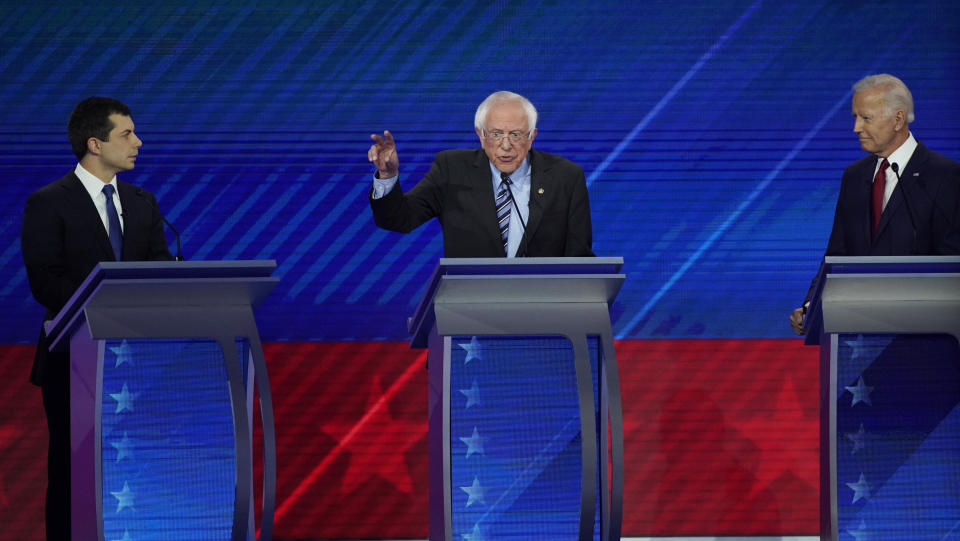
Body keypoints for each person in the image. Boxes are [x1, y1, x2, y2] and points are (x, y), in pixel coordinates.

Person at [21, 97, 173, 539]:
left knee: (135, 471)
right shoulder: (48, 202)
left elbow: (162, 271)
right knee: (73, 472)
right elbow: (45, 282)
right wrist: (107, 310)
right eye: (126, 134)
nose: (138, 143)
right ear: (94, 143)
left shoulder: (143, 202)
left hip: (139, 364)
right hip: (75, 362)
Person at [790, 74, 960, 335]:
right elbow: (837, 255)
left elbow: (950, 264)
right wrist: (811, 307)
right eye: (855, 117)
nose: (856, 128)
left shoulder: (944, 176)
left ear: (898, 119)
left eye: (866, 118)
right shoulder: (854, 176)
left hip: (921, 335)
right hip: (859, 334)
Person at [367, 90, 594, 257]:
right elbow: (398, 220)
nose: (505, 146)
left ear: (532, 136)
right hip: (469, 312)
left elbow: (579, 258)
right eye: (495, 134)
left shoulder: (565, 177)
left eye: (515, 135)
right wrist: (388, 175)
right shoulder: (452, 169)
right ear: (480, 135)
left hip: (547, 312)